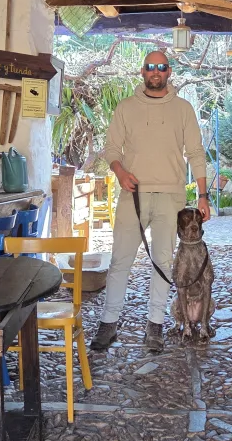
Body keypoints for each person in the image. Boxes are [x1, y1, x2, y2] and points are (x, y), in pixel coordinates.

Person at [90, 51, 210, 354]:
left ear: (169, 72)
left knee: (163, 262)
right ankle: (109, 323)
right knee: (120, 260)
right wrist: (119, 172)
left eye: (161, 67)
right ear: (142, 72)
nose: (155, 71)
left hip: (171, 196)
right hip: (134, 194)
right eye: (150, 67)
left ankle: (154, 324)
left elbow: (196, 152)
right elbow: (111, 149)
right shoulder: (126, 108)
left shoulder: (183, 109)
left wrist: (203, 195)